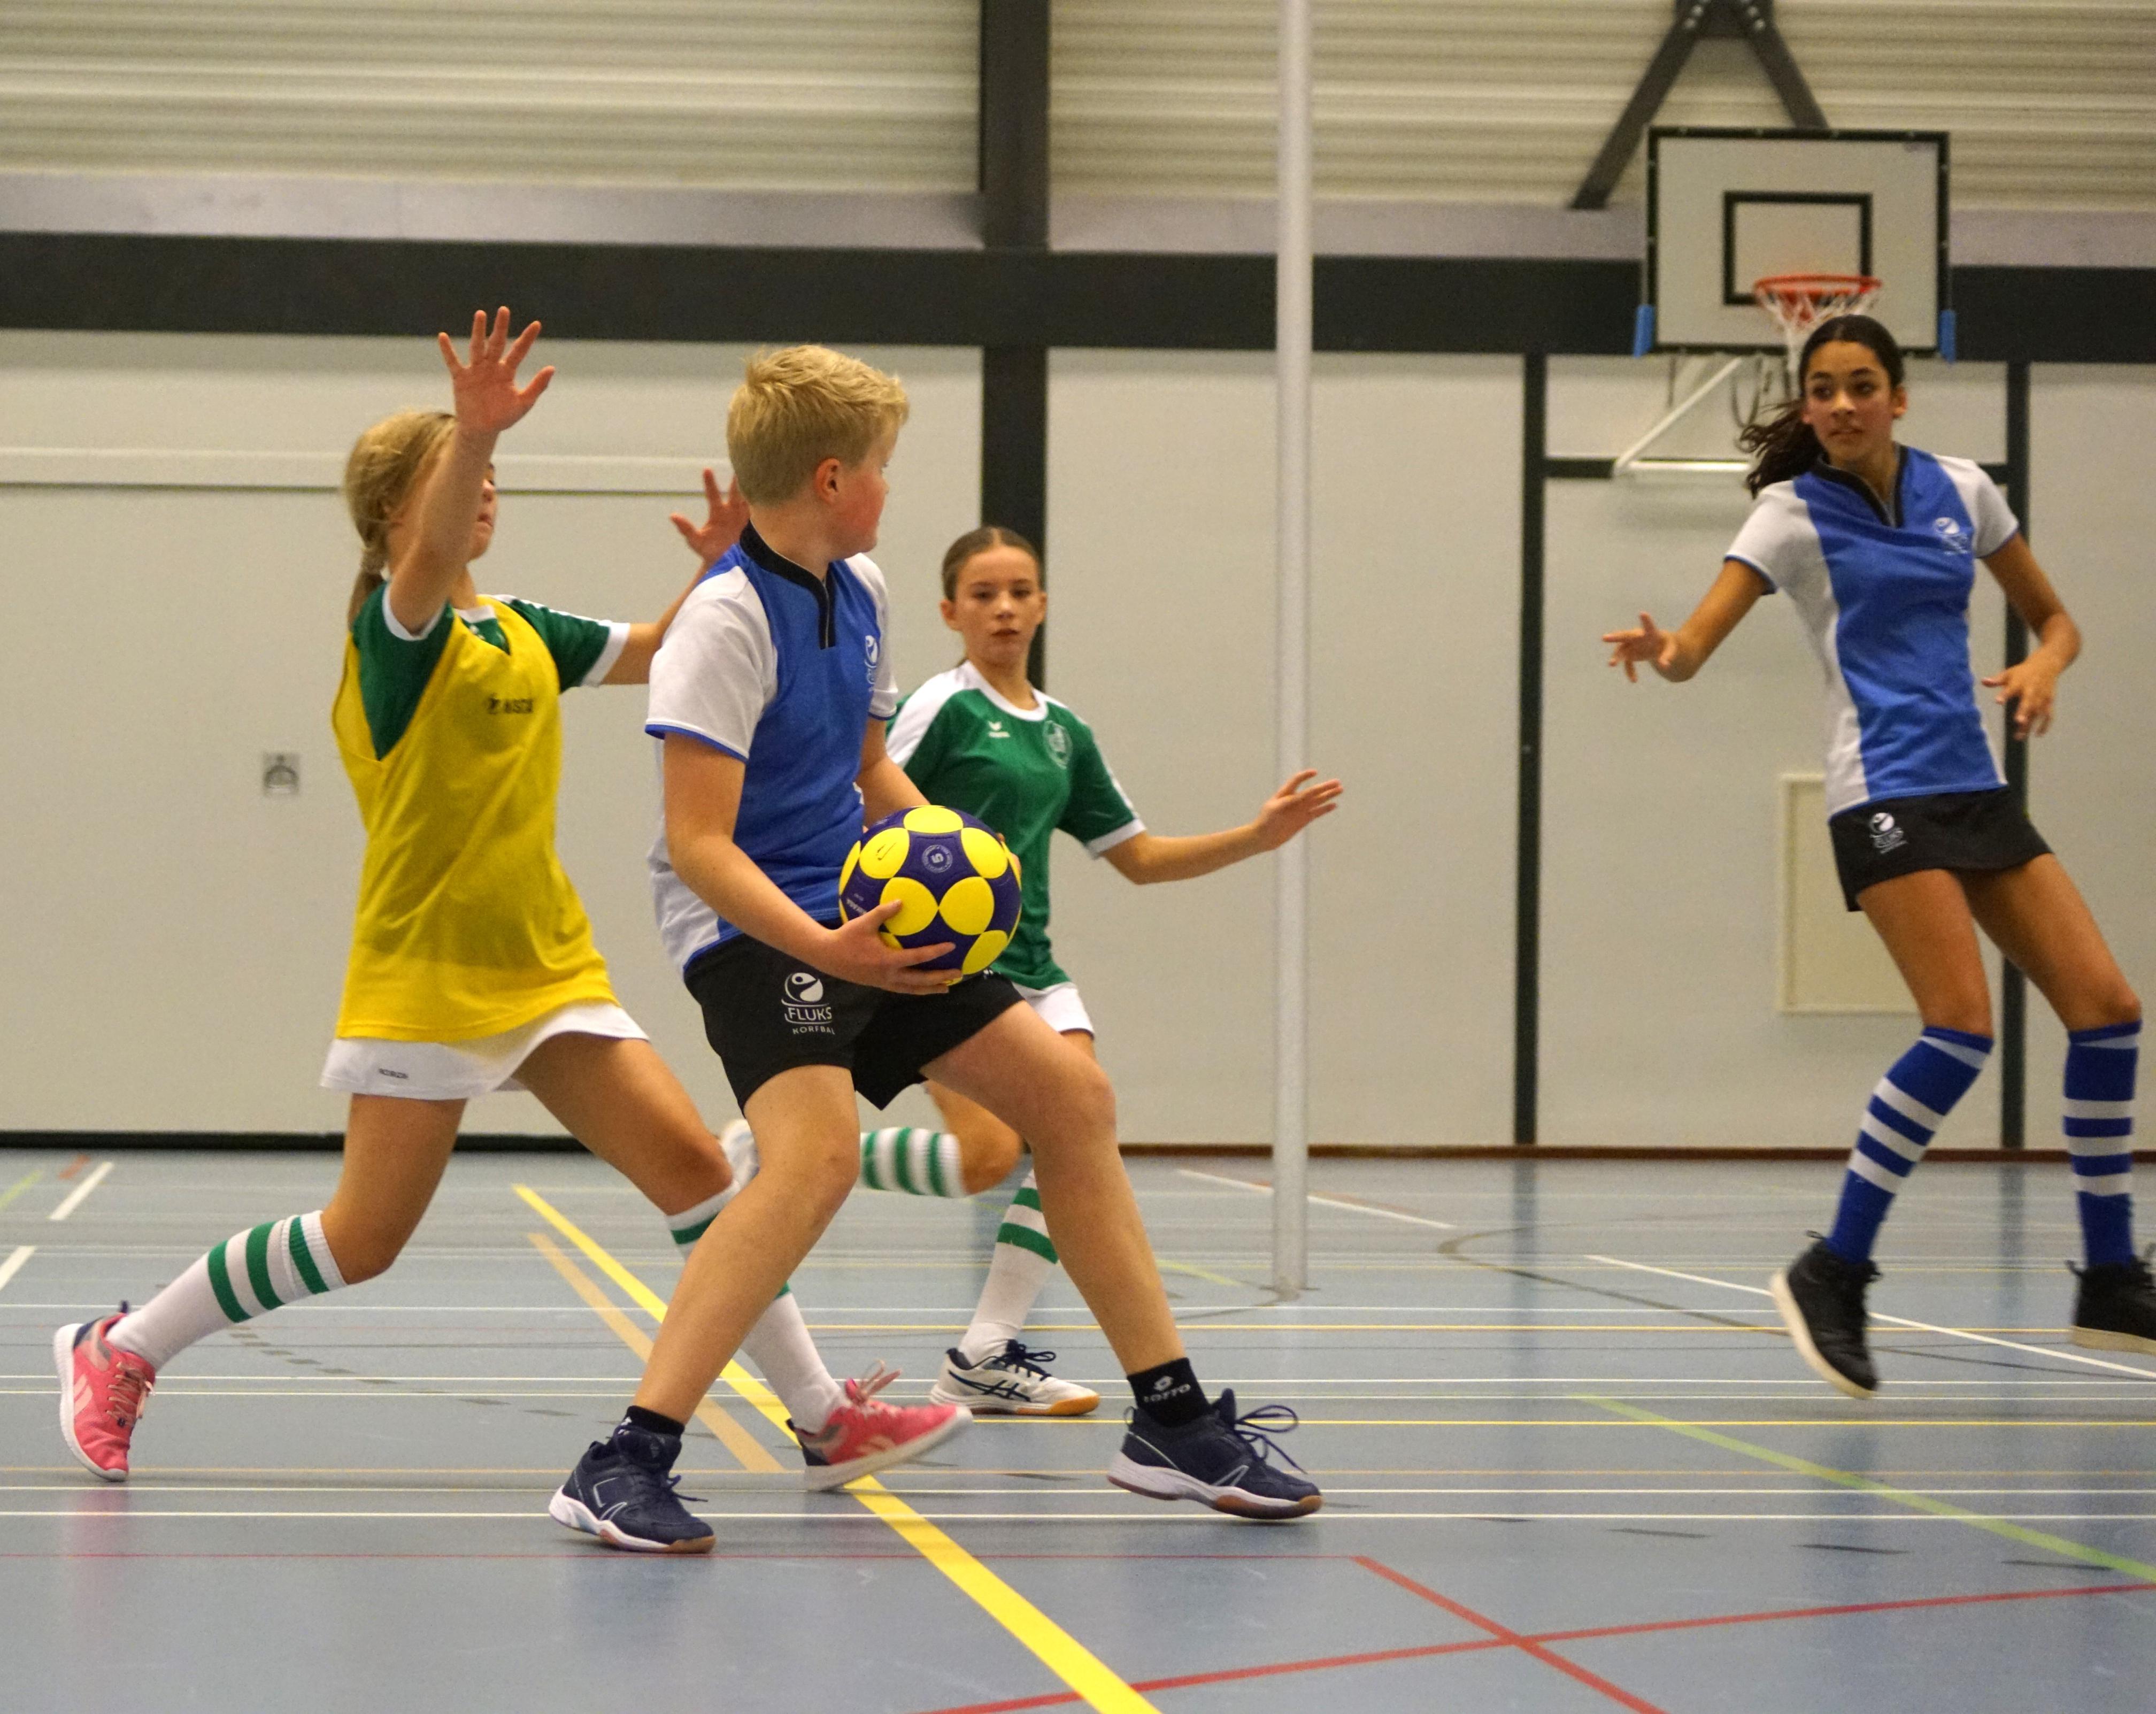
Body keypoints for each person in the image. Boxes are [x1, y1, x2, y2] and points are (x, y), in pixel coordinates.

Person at [54, 310, 953, 1495]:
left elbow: (663, 648)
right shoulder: (399, 634)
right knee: (362, 1237)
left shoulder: (525, 629)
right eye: (455, 480)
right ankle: (122, 1346)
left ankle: (824, 1416)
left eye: (486, 477)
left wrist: (726, 560)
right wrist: (475, 429)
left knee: (699, 1173)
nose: (481, 494)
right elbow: (429, 561)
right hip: (428, 970)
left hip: (549, 966)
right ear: (395, 513)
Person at [549, 345, 1322, 1553]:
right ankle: (624, 1459)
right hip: (756, 927)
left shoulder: (860, 589)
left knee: (1072, 1098)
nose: (891, 488)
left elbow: (869, 768)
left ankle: (1171, 1421)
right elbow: (698, 845)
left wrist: (956, 854)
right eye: (883, 467)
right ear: (831, 477)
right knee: (814, 1163)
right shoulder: (723, 620)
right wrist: (828, 947)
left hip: (868, 911)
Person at [1603, 313, 2147, 1398]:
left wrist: (2045, 666)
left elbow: (2057, 621)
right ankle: (1835, 1270)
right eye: (1823, 389)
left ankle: (2110, 1276)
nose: (1842, 404)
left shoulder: (1966, 491)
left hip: (1972, 787)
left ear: (1899, 396)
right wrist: (1663, 650)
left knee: (2109, 1010)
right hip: (1883, 791)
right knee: (1961, 1029)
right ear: (1807, 408)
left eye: (1861, 385)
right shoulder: (1789, 515)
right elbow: (1695, 648)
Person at [863, 525, 1339, 1416]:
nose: (1005, 608)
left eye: (1020, 591)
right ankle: (788, 1154)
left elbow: (1140, 857)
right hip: (947, 971)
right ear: (950, 611)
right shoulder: (940, 708)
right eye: (983, 594)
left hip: (1037, 971)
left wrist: (1258, 835)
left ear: (1042, 604)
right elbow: (863, 798)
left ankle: (984, 1351)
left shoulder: (1063, 731)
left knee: (1077, 1132)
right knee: (987, 1157)